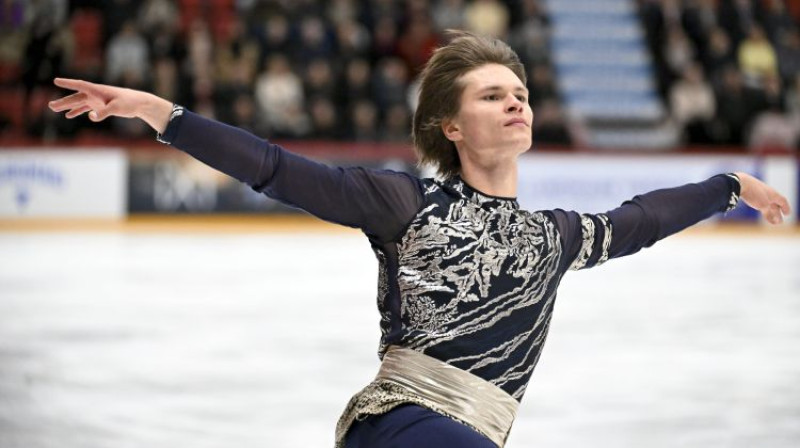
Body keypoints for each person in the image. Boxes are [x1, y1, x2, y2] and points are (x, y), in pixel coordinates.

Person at [48, 32, 790, 448]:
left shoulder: (555, 237)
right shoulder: (405, 201)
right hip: (406, 424)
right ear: (452, 126)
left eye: (521, 93)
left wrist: (729, 184)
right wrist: (163, 113)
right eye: (493, 94)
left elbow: (645, 218)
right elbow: (276, 168)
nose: (516, 102)